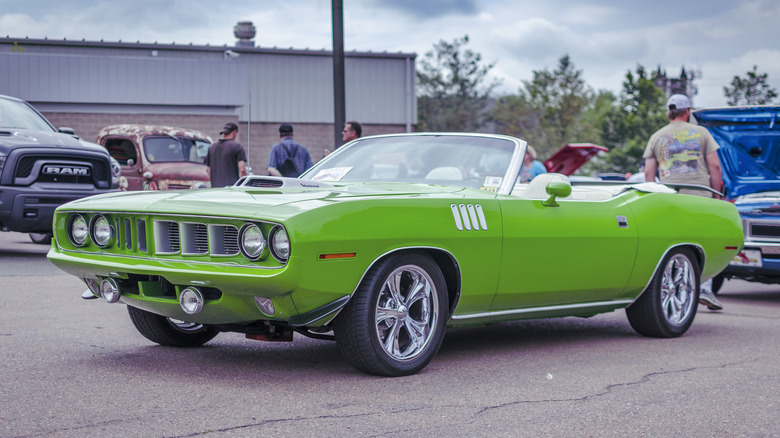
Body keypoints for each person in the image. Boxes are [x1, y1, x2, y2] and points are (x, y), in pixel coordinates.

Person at [643, 93, 725, 311]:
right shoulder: (702, 133)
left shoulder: (656, 136)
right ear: (687, 111)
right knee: (703, 241)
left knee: (673, 243)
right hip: (699, 197)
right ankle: (705, 287)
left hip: (669, 198)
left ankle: (671, 286)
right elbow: (715, 167)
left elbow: (649, 173)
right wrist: (716, 195)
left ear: (669, 112)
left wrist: (654, 196)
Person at [205, 122, 247, 187]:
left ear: (224, 132)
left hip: (215, 189)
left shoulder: (212, 147)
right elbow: (242, 170)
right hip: (231, 189)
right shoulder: (237, 147)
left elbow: (207, 170)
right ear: (234, 132)